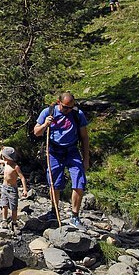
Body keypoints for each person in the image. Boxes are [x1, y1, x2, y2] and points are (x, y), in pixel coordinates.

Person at [33, 92, 89, 229]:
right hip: (54, 151)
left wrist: (86, 158)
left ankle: (75, 216)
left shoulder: (77, 114)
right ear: (59, 102)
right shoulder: (48, 112)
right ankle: (54, 210)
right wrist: (45, 124)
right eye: (65, 107)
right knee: (55, 182)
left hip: (72, 150)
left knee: (79, 181)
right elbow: (36, 132)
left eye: (71, 107)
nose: (68, 110)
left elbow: (85, 137)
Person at [0, 146, 28, 231]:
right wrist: (1, 150)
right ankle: (4, 220)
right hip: (4, 187)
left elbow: (22, 178)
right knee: (4, 205)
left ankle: (14, 223)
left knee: (14, 208)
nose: (3, 157)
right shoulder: (6, 163)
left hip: (12, 189)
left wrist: (25, 189)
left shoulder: (15, 167)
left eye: (4, 156)